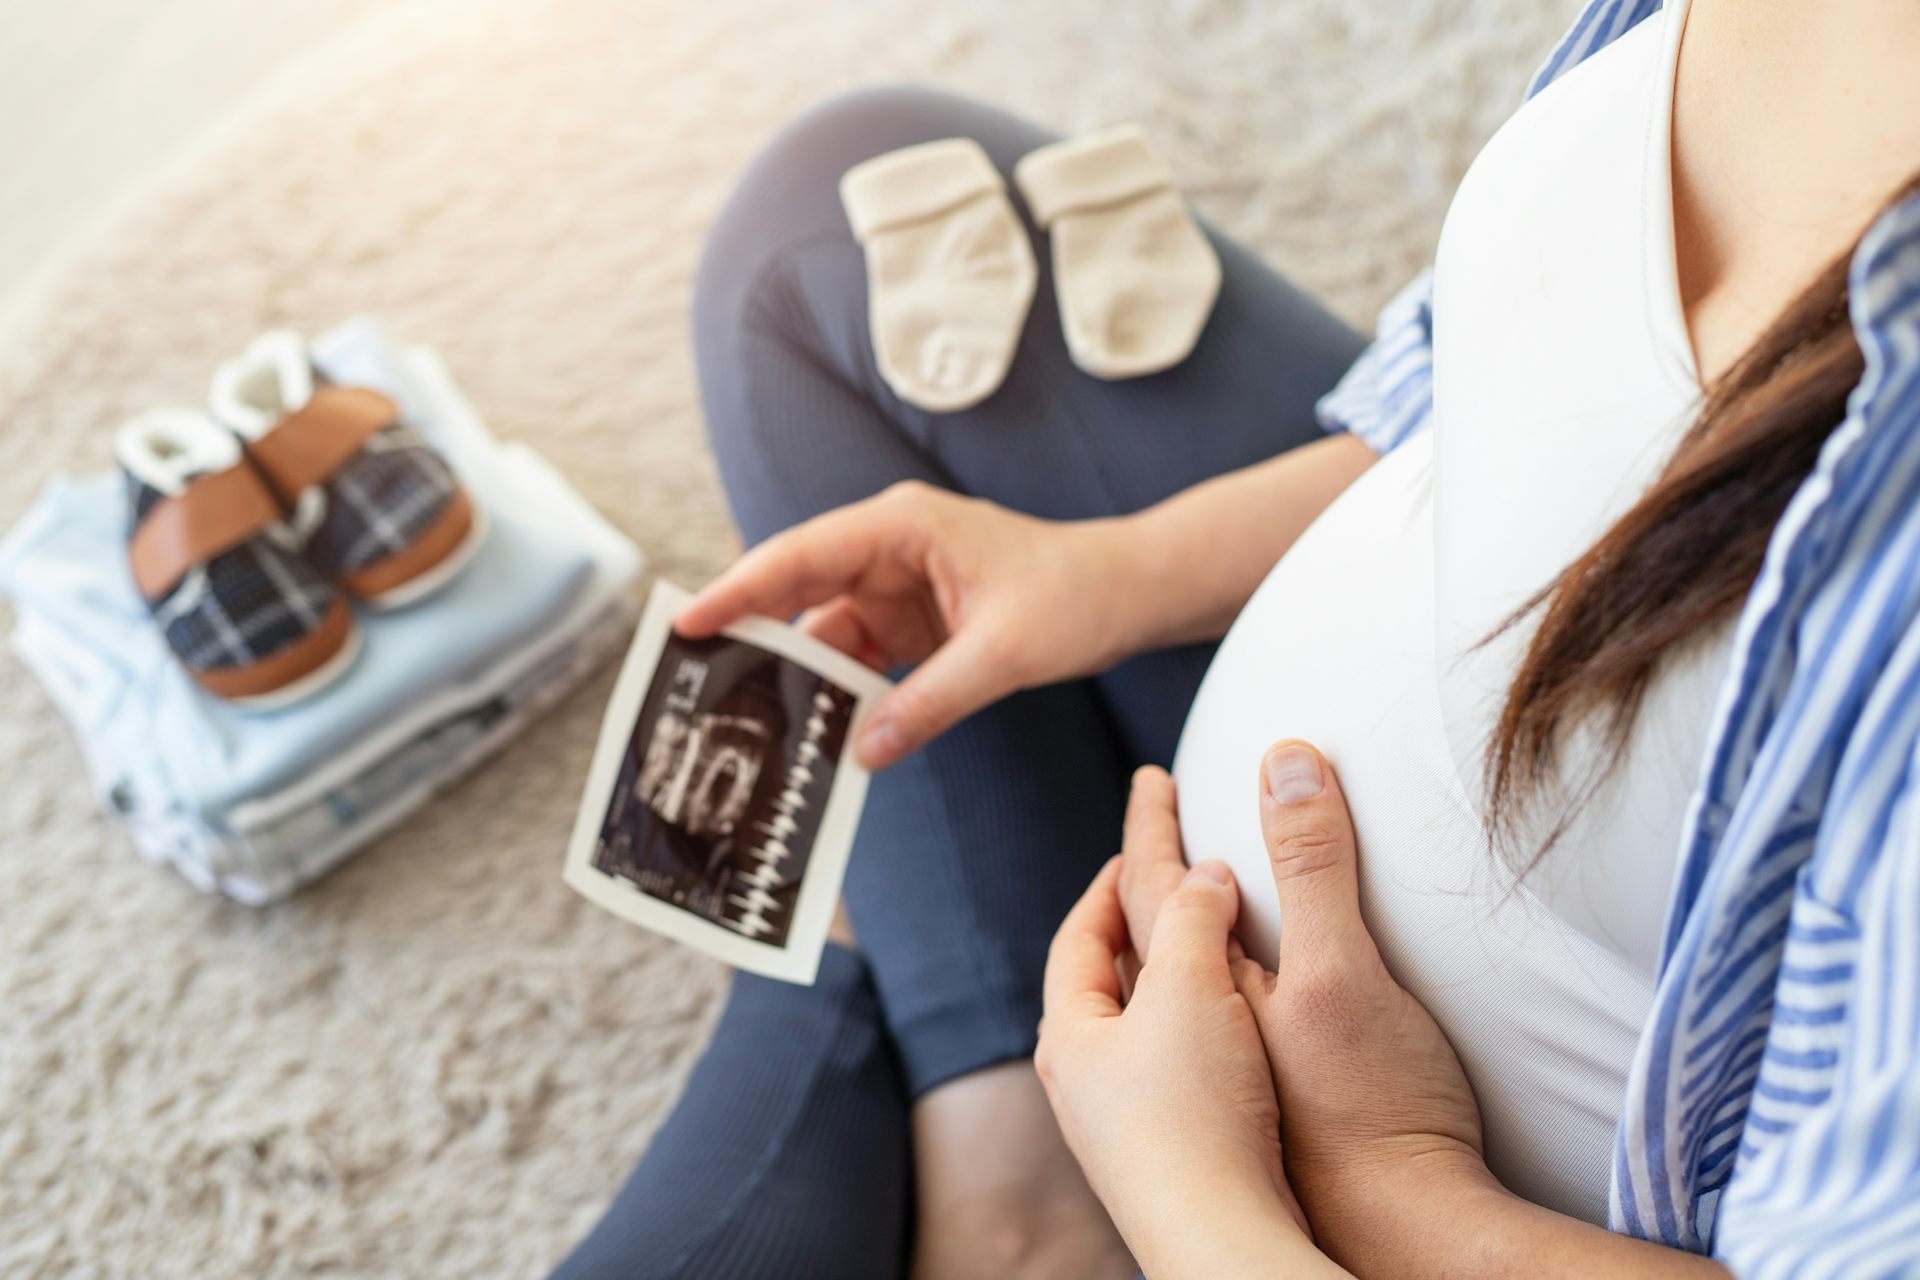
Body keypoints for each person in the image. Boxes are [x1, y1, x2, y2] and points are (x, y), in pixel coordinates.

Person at [549, 0, 1920, 1273]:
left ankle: (1000, 1161)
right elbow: (1529, 386)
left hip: (1396, 1208)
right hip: (1302, 833)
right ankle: (1006, 1146)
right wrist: (1118, 570)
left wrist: (1290, 1192)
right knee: (824, 230)